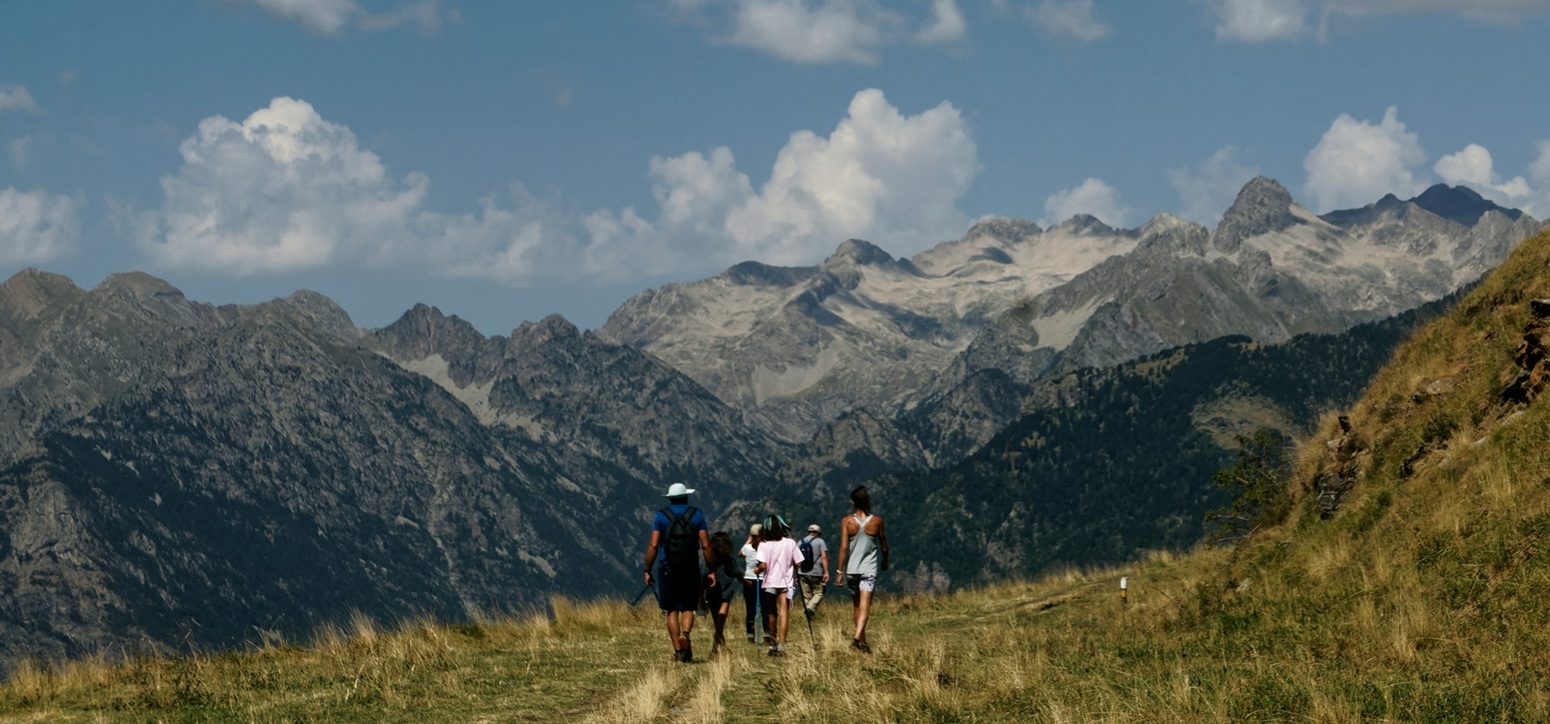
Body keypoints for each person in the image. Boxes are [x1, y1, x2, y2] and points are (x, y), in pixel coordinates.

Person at [642, 482, 714, 663]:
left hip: (668, 568)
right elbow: (705, 545)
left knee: (671, 609)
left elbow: (653, 546)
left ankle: (678, 651)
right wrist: (711, 569)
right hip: (690, 567)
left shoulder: (661, 516)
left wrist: (647, 569)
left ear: (670, 498)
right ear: (686, 496)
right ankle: (686, 635)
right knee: (688, 607)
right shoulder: (696, 515)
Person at [836, 485, 888, 654]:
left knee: (856, 606)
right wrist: (885, 561)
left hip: (852, 569)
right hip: (869, 569)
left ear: (853, 502)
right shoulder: (877, 522)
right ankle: (858, 638)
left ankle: (862, 643)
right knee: (865, 605)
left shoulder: (847, 522)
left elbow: (844, 548)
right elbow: (884, 547)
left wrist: (839, 572)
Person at [754, 514, 800, 657]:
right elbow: (799, 563)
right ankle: (781, 644)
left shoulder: (763, 545)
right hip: (786, 581)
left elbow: (763, 565)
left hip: (770, 581)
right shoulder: (790, 543)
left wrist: (757, 570)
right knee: (784, 611)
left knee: (771, 612)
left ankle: (772, 643)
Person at [703, 531, 743, 657]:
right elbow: (741, 575)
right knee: (719, 625)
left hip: (712, 595)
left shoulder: (709, 561)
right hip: (725, 596)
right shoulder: (730, 561)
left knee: (717, 623)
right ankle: (717, 648)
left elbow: (702, 576)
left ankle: (718, 649)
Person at [797, 524, 830, 621]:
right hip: (816, 572)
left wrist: (796, 574)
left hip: (802, 572)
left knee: (806, 595)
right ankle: (810, 609)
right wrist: (826, 572)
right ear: (818, 532)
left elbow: (796, 560)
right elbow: (824, 557)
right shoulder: (820, 541)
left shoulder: (800, 542)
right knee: (819, 592)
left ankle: (808, 618)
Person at [739, 524, 762, 644]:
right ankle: (768, 635)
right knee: (765, 608)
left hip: (748, 579)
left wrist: (749, 540)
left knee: (750, 609)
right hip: (763, 579)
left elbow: (740, 554)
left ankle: (750, 635)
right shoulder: (766, 547)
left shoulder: (747, 548)